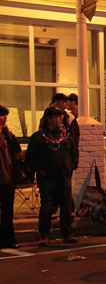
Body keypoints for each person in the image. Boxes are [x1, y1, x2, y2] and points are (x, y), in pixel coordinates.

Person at [26, 109, 79, 245]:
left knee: (66, 206)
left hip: (64, 176)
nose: (60, 120)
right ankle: (44, 235)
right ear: (49, 119)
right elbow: (30, 158)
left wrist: (71, 165)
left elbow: (74, 153)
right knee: (47, 207)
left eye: (61, 117)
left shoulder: (66, 137)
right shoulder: (38, 138)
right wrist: (40, 170)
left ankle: (67, 234)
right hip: (47, 177)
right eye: (57, 117)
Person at [0, 105, 22, 248]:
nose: (5, 118)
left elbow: (17, 149)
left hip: (8, 177)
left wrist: (10, 135)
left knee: (8, 212)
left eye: (5, 115)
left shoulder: (5, 135)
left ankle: (9, 240)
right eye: (2, 115)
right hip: (2, 177)